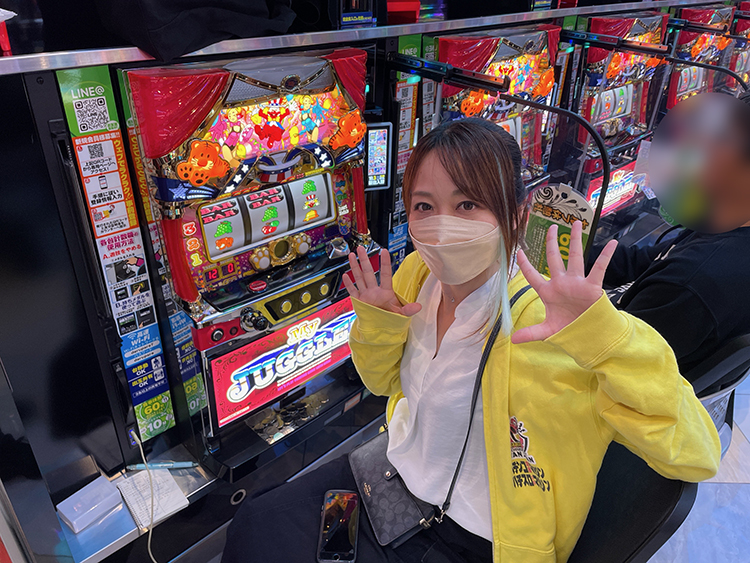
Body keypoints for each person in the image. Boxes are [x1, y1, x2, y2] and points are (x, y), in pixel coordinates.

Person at [221, 118, 720, 563]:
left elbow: (697, 452)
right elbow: (381, 385)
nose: (443, 227)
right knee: (255, 523)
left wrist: (604, 338)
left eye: (468, 204)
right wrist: (378, 324)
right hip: (391, 478)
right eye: (425, 206)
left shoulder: (555, 327)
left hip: (473, 539)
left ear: (517, 214)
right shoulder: (416, 276)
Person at [603, 91, 750, 379]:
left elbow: (611, 363)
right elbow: (641, 261)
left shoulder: (692, 281)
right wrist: (559, 243)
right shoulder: (727, 226)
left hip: (616, 387)